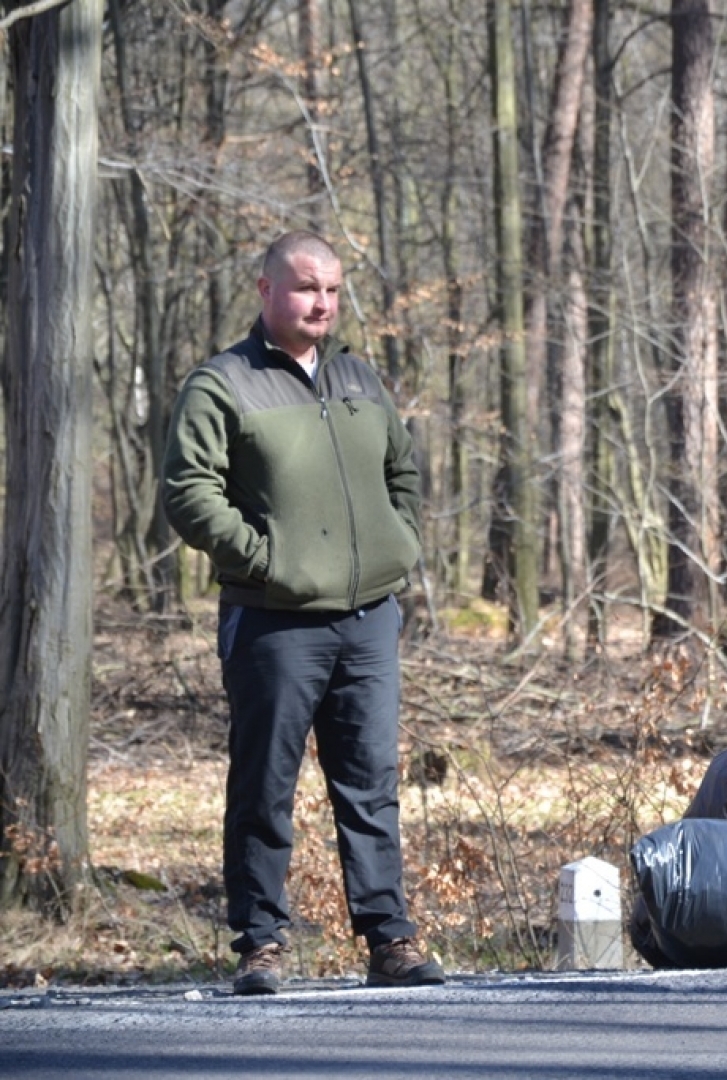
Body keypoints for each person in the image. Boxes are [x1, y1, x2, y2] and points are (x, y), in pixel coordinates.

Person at [162, 231, 445, 995]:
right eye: (304, 288)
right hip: (274, 621)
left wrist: (399, 546)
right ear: (265, 290)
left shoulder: (358, 376)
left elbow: (402, 471)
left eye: (331, 290)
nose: (320, 302)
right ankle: (261, 943)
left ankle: (388, 939)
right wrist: (267, 562)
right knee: (264, 782)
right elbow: (188, 493)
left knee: (370, 781)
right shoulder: (223, 384)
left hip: (368, 618)